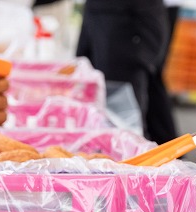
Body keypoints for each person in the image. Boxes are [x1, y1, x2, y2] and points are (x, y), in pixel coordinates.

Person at [76, 0, 178, 145]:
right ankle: (168, 155)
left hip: (125, 21)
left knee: (122, 114)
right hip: (107, 16)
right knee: (142, 96)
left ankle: (148, 158)